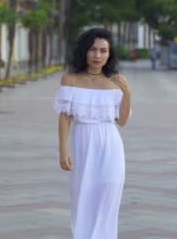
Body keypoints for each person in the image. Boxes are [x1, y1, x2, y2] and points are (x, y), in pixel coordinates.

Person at [54, 28, 132, 239]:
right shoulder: (70, 79)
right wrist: (63, 150)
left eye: (103, 51)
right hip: (82, 142)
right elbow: (65, 117)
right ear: (84, 51)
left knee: (109, 195)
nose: (98, 56)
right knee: (83, 197)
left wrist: (127, 93)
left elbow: (122, 121)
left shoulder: (116, 81)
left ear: (109, 54)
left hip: (110, 145)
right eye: (93, 49)